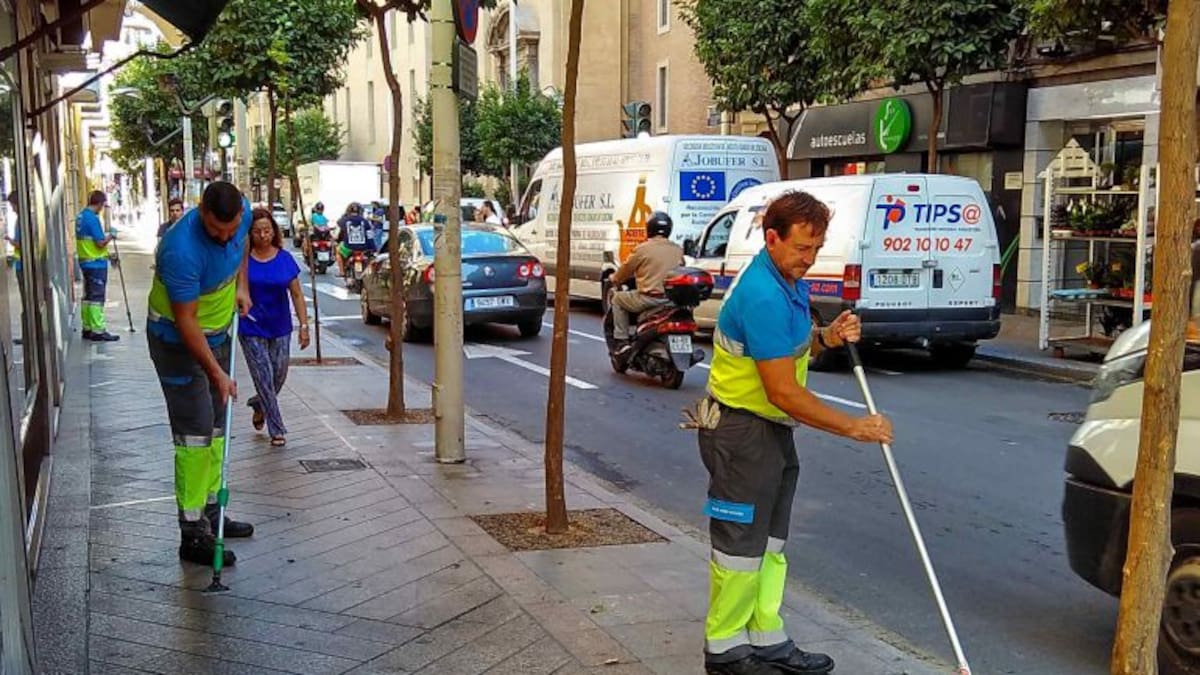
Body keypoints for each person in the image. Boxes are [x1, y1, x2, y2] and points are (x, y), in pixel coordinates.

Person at [696, 191, 893, 675]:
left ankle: (765, 636)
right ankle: (725, 649)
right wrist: (853, 427)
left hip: (769, 431)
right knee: (739, 545)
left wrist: (827, 337)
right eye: (802, 248)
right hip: (741, 433)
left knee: (769, 542)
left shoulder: (788, 283)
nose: (810, 259)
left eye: (817, 248)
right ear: (772, 238)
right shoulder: (763, 293)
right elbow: (782, 391)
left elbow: (793, 346)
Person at [148, 181, 255, 567]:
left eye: (230, 229)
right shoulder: (180, 250)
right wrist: (216, 373)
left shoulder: (242, 214)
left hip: (218, 334)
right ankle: (192, 533)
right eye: (215, 230)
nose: (224, 238)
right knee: (195, 434)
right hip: (178, 345)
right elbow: (186, 322)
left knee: (216, 429)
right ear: (201, 212)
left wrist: (242, 286)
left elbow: (242, 244)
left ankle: (212, 514)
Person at [241, 208, 309, 447]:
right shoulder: (243, 260)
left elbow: (297, 294)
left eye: (267, 230)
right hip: (251, 326)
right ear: (250, 234)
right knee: (263, 376)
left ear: (274, 231)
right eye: (257, 231)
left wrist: (304, 325)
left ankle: (259, 404)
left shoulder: (284, 258)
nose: (263, 235)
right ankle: (276, 428)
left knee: (278, 375)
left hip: (280, 326)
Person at [609, 211, 684, 353]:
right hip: (672, 301)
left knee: (617, 299)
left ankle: (621, 341)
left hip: (649, 299)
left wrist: (614, 278)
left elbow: (625, 270)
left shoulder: (642, 249)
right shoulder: (678, 249)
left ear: (649, 228)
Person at [77, 190, 119, 342]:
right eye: (103, 205)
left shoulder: (80, 216)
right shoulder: (92, 219)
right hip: (96, 264)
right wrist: (111, 235)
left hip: (85, 261)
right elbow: (100, 243)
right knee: (97, 297)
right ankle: (98, 330)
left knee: (88, 296)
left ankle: (87, 327)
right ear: (100, 204)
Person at [336, 202, 374, 278]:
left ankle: (342, 272)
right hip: (363, 248)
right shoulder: (365, 221)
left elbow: (339, 232)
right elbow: (370, 236)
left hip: (348, 247)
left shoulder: (344, 220)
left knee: (338, 251)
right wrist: (373, 248)